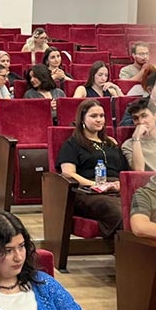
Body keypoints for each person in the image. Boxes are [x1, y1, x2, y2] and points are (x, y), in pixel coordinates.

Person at [56, 99, 128, 239]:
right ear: (82, 119)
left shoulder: (111, 143)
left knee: (140, 206)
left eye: (102, 116)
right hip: (87, 191)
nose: (99, 120)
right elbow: (68, 173)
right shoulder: (72, 144)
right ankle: (123, 247)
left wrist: (120, 184)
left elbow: (124, 171)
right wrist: (96, 185)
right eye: (93, 116)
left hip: (115, 188)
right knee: (119, 210)